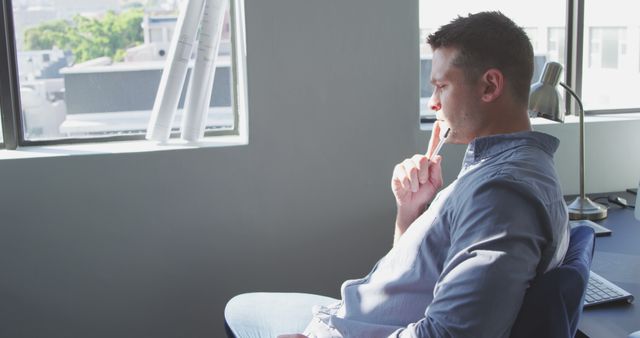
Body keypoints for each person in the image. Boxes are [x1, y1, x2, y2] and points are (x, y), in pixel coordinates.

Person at [225, 11, 570, 338]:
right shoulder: (501, 170)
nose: (433, 102)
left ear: (490, 86)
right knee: (240, 306)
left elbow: (451, 334)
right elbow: (413, 282)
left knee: (237, 311)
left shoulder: (501, 196)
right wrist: (411, 211)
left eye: (441, 86)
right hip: (354, 315)